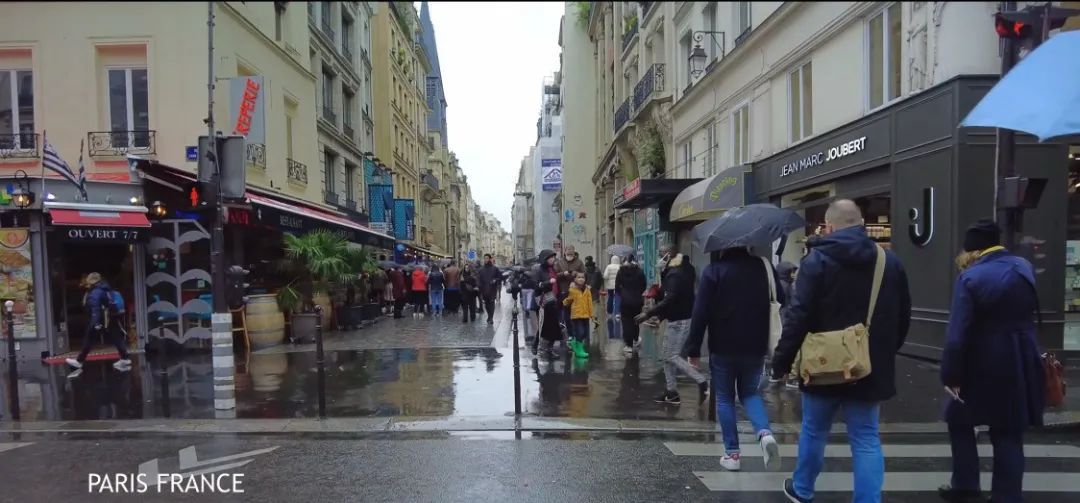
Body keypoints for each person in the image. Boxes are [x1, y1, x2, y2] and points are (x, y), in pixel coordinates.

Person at [772, 199, 911, 503]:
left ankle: (803, 489)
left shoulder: (816, 261)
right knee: (865, 439)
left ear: (829, 226)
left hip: (823, 366)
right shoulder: (888, 262)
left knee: (814, 431)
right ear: (861, 224)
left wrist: (780, 362)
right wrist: (882, 352)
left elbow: (798, 316)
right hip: (868, 366)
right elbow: (903, 317)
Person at [938, 220, 1044, 503]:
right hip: (1020, 359)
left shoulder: (971, 278)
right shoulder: (1023, 268)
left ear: (971, 251)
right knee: (1008, 432)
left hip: (980, 362)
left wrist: (951, 376)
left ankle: (965, 485)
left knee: (958, 419)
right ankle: (1007, 496)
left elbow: (957, 335)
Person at [682, 246, 783, 472]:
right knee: (750, 393)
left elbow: (700, 312)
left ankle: (732, 454)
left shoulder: (714, 271)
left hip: (723, 345)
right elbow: (781, 298)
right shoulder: (763, 267)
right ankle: (764, 433)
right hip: (756, 344)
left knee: (725, 398)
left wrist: (693, 348)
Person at [637, 246, 707, 405]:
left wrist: (648, 314)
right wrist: (660, 316)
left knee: (672, 356)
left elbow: (671, 299)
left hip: (680, 320)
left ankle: (701, 380)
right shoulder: (675, 271)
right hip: (676, 318)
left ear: (669, 256)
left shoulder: (675, 274)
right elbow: (671, 299)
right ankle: (671, 392)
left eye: (661, 255)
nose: (659, 258)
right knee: (666, 356)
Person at [66, 273, 131, 377]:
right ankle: (125, 358)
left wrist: (96, 323)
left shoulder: (95, 292)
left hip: (100, 320)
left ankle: (79, 361)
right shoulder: (106, 288)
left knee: (89, 339)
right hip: (111, 317)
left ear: (91, 282)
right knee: (116, 336)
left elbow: (95, 309)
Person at [615, 255, 646, 354]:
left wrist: (623, 294)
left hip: (625, 301)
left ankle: (628, 345)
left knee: (626, 322)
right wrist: (638, 293)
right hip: (637, 300)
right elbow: (644, 285)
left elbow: (617, 286)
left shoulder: (621, 272)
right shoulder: (639, 271)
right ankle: (636, 339)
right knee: (636, 320)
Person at [562, 272, 594, 359]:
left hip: (585, 314)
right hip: (576, 315)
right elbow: (568, 300)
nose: (581, 279)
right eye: (579, 277)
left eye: (583, 277)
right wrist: (564, 302)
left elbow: (589, 302)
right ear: (575, 279)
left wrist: (591, 314)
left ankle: (575, 344)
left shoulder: (587, 290)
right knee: (580, 332)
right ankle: (579, 350)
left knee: (585, 334)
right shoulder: (572, 290)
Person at [556, 246, 586, 326]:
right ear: (565, 252)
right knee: (566, 311)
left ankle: (577, 329)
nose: (569, 253)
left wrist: (576, 274)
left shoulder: (579, 262)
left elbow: (584, 274)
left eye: (571, 252)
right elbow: (555, 275)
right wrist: (563, 273)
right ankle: (569, 330)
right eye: (568, 252)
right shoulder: (560, 262)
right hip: (564, 290)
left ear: (574, 252)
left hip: (577, 290)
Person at [477, 254, 501, 324]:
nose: (485, 260)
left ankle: (491, 318)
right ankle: (489, 316)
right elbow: (479, 279)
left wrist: (495, 280)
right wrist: (479, 286)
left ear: (490, 259)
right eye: (484, 258)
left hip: (492, 289)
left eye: (487, 258)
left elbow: (499, 277)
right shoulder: (481, 269)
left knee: (492, 303)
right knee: (486, 304)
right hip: (484, 289)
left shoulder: (495, 268)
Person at [603, 255, 622, 321]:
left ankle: (609, 313)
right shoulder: (620, 267)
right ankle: (617, 313)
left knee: (610, 298)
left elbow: (605, 276)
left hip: (610, 286)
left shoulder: (609, 267)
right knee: (618, 298)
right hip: (618, 285)